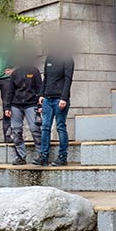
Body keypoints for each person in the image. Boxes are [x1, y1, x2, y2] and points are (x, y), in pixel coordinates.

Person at [36, 39, 74, 167]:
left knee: (60, 126)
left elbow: (68, 79)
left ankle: (62, 157)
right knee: (45, 127)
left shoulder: (68, 59)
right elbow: (45, 77)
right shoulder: (49, 58)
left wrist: (64, 98)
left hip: (60, 99)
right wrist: (41, 94)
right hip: (47, 98)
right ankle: (43, 156)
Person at [4, 47, 43, 165]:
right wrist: (7, 107)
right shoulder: (15, 73)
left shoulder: (35, 71)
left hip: (31, 104)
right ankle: (21, 156)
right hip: (16, 105)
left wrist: (39, 104)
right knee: (16, 131)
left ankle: (41, 154)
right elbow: (10, 91)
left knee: (35, 129)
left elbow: (40, 88)